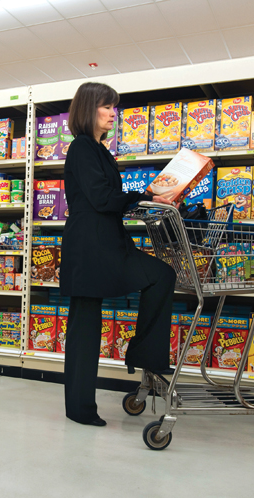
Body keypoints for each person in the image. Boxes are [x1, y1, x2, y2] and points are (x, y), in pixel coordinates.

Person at [60, 82, 178, 427]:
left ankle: (145, 356)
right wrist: (140, 197)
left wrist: (144, 199)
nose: (113, 113)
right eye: (107, 106)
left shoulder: (98, 149)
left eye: (114, 107)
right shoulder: (82, 147)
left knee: (160, 275)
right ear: (88, 109)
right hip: (92, 246)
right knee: (84, 325)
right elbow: (100, 198)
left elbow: (108, 198)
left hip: (106, 242)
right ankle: (80, 408)